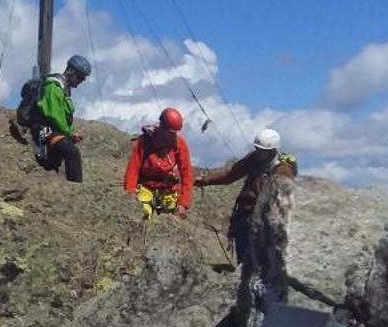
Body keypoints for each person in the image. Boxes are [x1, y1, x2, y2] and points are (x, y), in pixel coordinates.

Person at [195, 128, 297, 261]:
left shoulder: (282, 170)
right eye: (257, 148)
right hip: (246, 216)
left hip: (266, 222)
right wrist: (205, 180)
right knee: (244, 255)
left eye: (262, 151)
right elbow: (230, 174)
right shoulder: (253, 159)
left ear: (272, 151)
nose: (258, 153)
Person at [32, 54, 92, 183]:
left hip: (54, 132)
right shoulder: (53, 86)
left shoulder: (64, 90)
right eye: (80, 77)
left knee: (60, 156)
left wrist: (70, 135)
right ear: (70, 71)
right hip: (44, 131)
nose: (81, 81)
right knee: (72, 152)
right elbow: (54, 114)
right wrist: (68, 134)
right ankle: (75, 187)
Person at [124, 108, 193, 218]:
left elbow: (187, 174)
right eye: (170, 133)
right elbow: (133, 169)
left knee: (172, 219)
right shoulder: (145, 142)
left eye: (174, 133)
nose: (171, 136)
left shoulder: (180, 144)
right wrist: (130, 192)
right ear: (162, 127)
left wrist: (183, 203)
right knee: (143, 213)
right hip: (146, 186)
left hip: (169, 189)